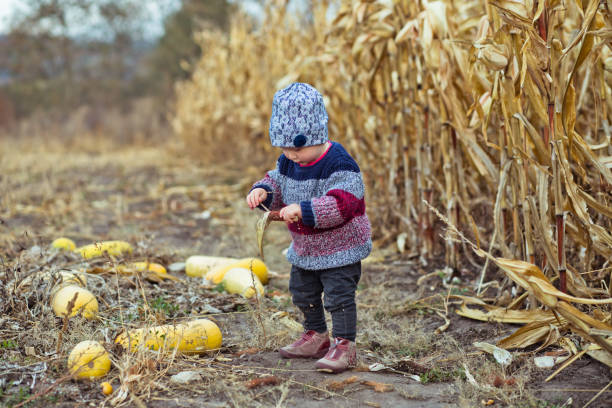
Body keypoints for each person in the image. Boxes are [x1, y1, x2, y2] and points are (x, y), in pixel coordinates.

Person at [246, 82, 372, 373]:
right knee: (302, 291)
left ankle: (344, 346)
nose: (291, 155)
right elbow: (278, 180)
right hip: (306, 249)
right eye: (284, 148)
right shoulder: (290, 161)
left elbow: (342, 203)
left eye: (297, 147)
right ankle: (316, 335)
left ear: (317, 135)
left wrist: (303, 210)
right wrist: (264, 190)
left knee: (338, 297)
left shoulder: (339, 163)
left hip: (342, 248)